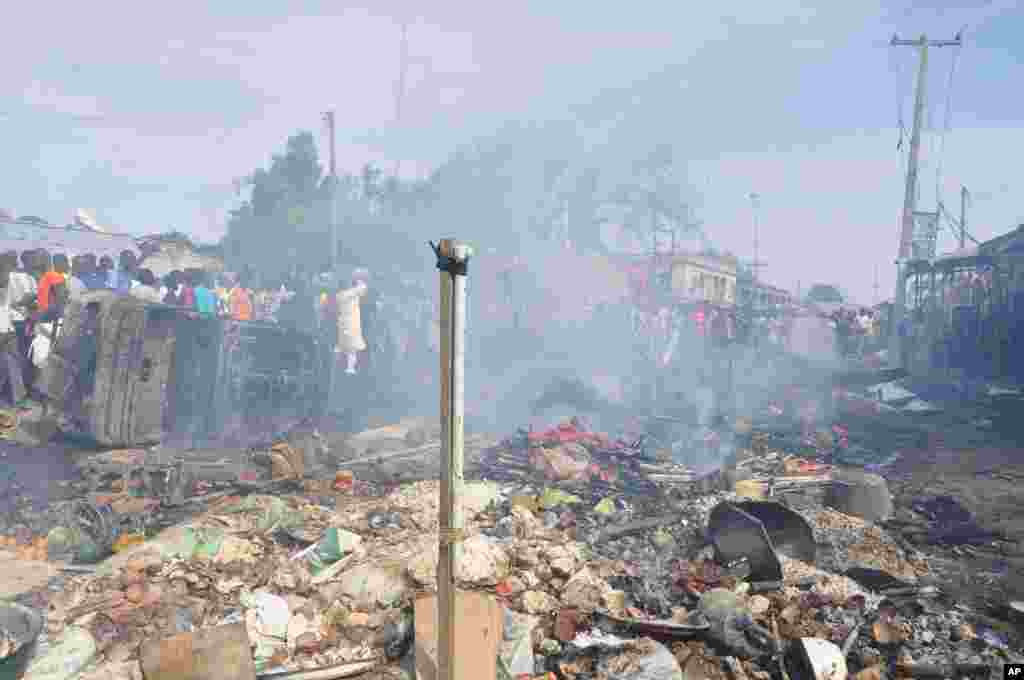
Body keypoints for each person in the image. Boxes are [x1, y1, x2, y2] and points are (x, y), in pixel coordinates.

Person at [0, 256, 27, 407]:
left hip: (8, 332)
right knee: (7, 365)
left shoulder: (5, 290)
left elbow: (7, 310)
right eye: (4, 273)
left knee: (12, 365)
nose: (7, 277)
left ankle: (18, 399)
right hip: (4, 332)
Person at [335, 269, 369, 375]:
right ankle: (350, 368)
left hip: (344, 323)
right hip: (351, 324)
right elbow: (362, 288)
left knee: (344, 347)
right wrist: (360, 280)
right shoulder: (351, 293)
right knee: (351, 349)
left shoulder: (341, 295)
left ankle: (344, 366)